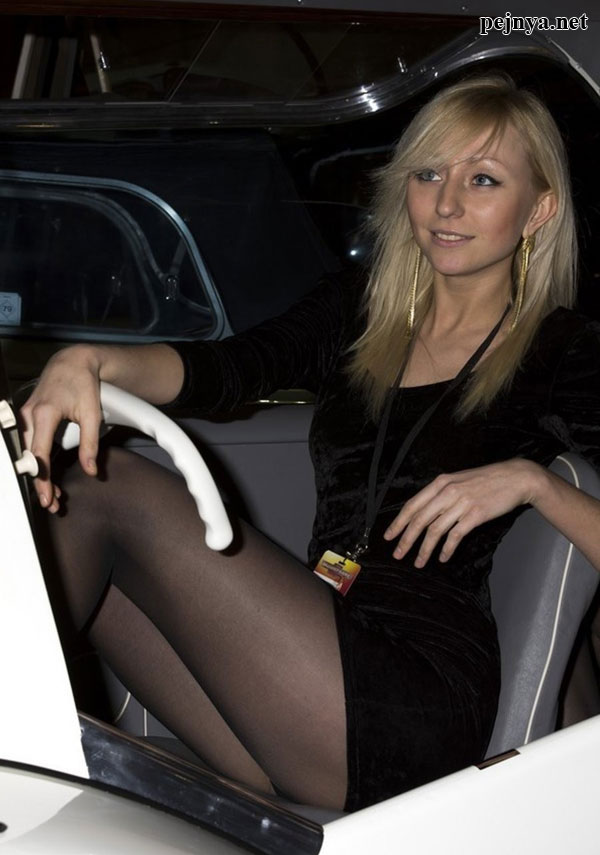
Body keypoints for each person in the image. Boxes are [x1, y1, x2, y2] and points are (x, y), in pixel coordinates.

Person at [21, 74, 600, 812]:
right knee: (75, 512)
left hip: (413, 698)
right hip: (314, 664)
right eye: (428, 174)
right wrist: (89, 361)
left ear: (538, 210)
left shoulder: (567, 352)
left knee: (105, 488)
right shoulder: (360, 312)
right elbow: (229, 369)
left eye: (482, 180)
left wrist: (533, 483)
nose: (446, 204)